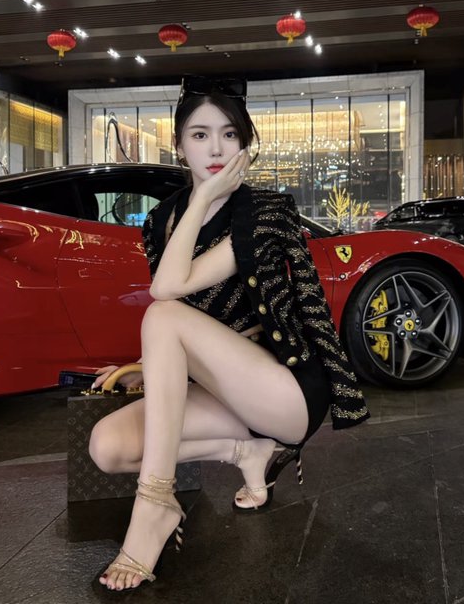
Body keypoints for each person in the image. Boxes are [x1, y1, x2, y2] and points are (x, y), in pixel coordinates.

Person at [89, 75, 370, 592]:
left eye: (229, 134)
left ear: (244, 142)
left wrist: (204, 198)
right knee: (107, 446)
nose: (215, 149)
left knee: (160, 315)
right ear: (179, 145)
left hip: (286, 391)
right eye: (199, 135)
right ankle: (247, 453)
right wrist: (146, 366)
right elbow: (187, 316)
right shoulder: (161, 220)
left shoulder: (263, 213)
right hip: (226, 389)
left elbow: (167, 292)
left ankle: (153, 506)